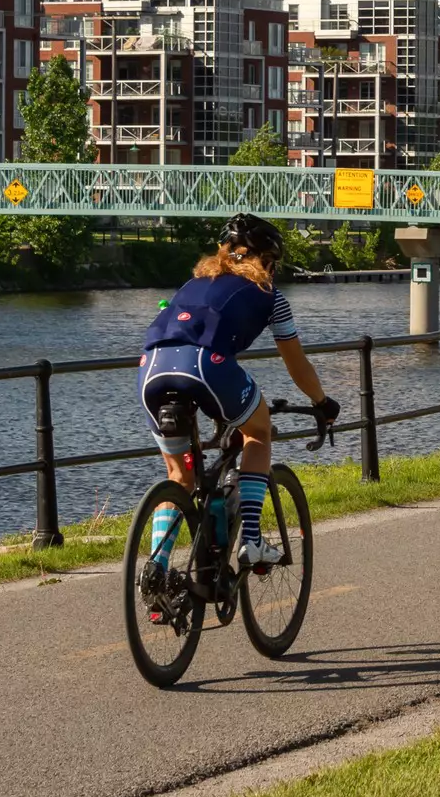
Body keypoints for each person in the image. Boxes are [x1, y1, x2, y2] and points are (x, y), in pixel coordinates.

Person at [137, 214, 338, 571]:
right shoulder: (270, 296)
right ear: (267, 261)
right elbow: (296, 364)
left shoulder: (192, 283)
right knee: (258, 432)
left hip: (151, 368)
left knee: (180, 476)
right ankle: (251, 540)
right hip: (205, 367)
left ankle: (157, 568)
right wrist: (321, 403)